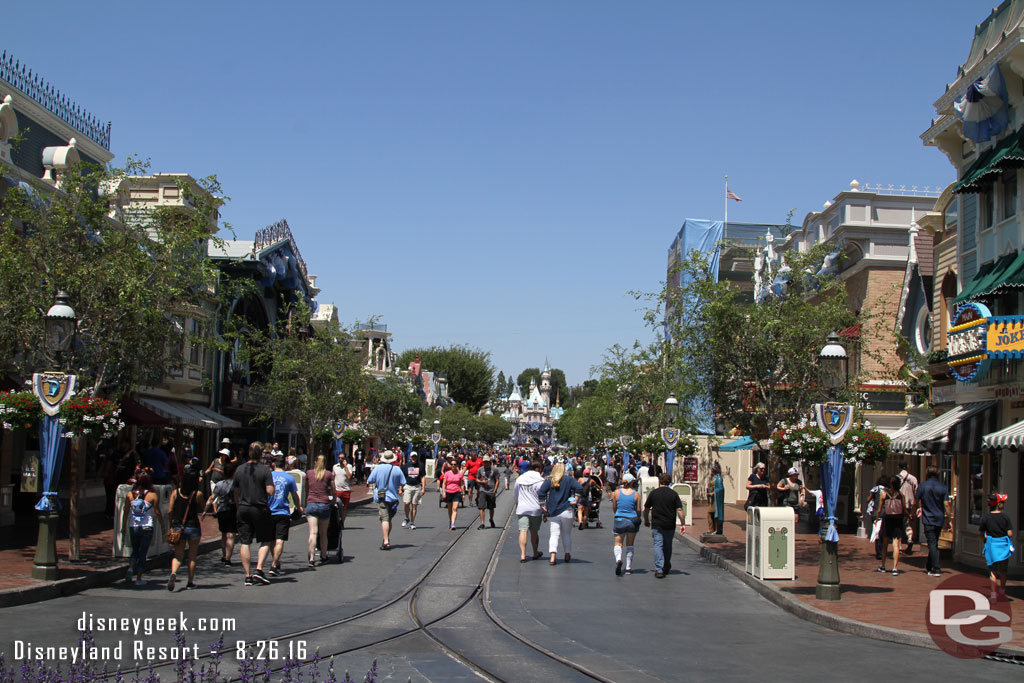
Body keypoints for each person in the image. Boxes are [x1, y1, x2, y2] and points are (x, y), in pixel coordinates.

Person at [234, 442, 275, 586]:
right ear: (261, 454)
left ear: (249, 453)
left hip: (243, 508)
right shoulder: (265, 470)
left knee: (245, 541)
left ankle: (247, 575)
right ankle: (259, 569)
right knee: (266, 539)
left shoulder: (239, 469)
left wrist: (239, 505)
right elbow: (270, 491)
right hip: (259, 507)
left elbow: (235, 491)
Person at [122, 470, 165, 586]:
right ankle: (139, 577)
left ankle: (130, 568)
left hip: (133, 526)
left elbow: (126, 512)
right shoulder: (152, 495)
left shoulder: (130, 495)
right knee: (143, 552)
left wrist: (123, 527)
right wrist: (163, 526)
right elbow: (157, 512)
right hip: (147, 526)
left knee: (135, 550)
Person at [167, 460, 205, 591]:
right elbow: (202, 507)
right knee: (192, 556)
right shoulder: (197, 494)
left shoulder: (175, 493)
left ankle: (173, 572)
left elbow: (170, 511)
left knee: (178, 555)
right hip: (193, 526)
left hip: (178, 526)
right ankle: (190, 581)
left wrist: (171, 524)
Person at [538, 462, 584, 566]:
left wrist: (542, 506)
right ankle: (567, 554)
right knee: (566, 534)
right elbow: (579, 488)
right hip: (567, 510)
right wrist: (576, 500)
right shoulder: (569, 479)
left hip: (553, 511)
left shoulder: (549, 480)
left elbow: (541, 492)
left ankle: (553, 556)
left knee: (554, 534)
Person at [644, 473, 687, 578]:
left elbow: (646, 508)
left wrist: (646, 519)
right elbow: (680, 510)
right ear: (669, 482)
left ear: (659, 481)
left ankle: (659, 569)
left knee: (658, 545)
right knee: (668, 545)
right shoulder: (673, 494)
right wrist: (683, 523)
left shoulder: (654, 493)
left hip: (657, 523)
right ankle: (666, 565)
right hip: (669, 524)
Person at [915, 466, 952, 577]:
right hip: (939, 518)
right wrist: (949, 519)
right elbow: (946, 504)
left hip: (928, 518)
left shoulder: (922, 486)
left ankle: (936, 568)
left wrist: (912, 512)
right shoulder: (943, 487)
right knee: (934, 542)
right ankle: (929, 565)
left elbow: (916, 501)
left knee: (932, 543)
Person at [269, 457, 302, 575]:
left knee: (271, 539)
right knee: (280, 539)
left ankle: (275, 562)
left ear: (274, 464)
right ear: (285, 465)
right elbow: (295, 495)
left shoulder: (268, 476)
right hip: (283, 511)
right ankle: (274, 564)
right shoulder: (289, 478)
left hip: (269, 511)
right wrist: (298, 507)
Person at [367, 450, 406, 549]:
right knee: (388, 519)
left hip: (382, 497)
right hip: (393, 497)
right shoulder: (397, 469)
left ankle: (385, 541)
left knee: (385, 519)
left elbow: (370, 480)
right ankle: (387, 537)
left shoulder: (377, 468)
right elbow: (403, 482)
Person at [980, 493, 1015, 601]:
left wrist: (984, 540)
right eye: (1002, 502)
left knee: (992, 571)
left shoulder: (986, 518)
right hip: (1003, 546)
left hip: (991, 546)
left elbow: (982, 532)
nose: (1003, 504)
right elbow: (1010, 533)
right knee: (1003, 570)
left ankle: (993, 594)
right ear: (999, 504)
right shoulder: (1005, 517)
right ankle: (1002, 589)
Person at [203, 461, 237, 566]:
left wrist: (205, 510)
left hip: (221, 510)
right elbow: (237, 499)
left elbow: (211, 498)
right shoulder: (236, 485)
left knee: (223, 534)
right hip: (232, 510)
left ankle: (224, 555)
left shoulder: (219, 484)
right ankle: (228, 558)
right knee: (231, 534)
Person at [514, 458, 545, 561]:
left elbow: (516, 494)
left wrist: (518, 503)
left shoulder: (520, 479)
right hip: (536, 509)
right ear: (538, 469)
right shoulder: (541, 480)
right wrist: (546, 511)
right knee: (534, 532)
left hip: (522, 508)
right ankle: (535, 553)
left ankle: (523, 554)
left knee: (523, 530)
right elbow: (544, 496)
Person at [305, 454, 334, 566]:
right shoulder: (328, 474)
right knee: (323, 533)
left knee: (313, 532)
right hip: (324, 504)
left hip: (311, 503)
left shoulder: (309, 473)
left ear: (315, 462)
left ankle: (311, 557)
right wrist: (334, 500)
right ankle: (323, 555)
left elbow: (307, 487)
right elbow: (333, 489)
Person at [610, 472, 640, 576]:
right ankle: (628, 567)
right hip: (632, 520)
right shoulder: (636, 494)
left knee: (618, 543)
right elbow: (639, 509)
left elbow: (614, 507)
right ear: (632, 482)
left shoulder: (616, 493)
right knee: (630, 544)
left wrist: (618, 514)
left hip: (619, 519)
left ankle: (618, 559)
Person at [877, 476, 907, 576]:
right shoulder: (901, 495)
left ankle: (883, 565)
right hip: (898, 520)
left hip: (887, 519)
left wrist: (877, 519)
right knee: (896, 544)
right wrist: (908, 516)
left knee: (885, 544)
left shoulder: (884, 494)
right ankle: (895, 567)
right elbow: (904, 508)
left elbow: (880, 509)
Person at [864, 475, 888, 561]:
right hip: (885, 513)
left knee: (876, 532)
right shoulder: (887, 490)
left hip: (875, 513)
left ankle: (879, 552)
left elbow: (868, 499)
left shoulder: (875, 489)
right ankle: (883, 550)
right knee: (883, 533)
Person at [438, 457, 466, 530]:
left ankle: (453, 524)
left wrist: (463, 494)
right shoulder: (447, 473)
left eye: (455, 464)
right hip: (449, 492)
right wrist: (443, 492)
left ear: (457, 465)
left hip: (457, 492)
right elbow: (444, 484)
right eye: (452, 464)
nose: (453, 465)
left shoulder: (460, 474)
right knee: (450, 509)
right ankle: (451, 521)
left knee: (455, 508)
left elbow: (462, 484)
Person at [897, 461, 919, 554]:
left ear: (898, 467)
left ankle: (899, 544)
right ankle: (909, 538)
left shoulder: (896, 478)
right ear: (907, 467)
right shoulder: (913, 478)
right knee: (907, 523)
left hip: (898, 504)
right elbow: (916, 492)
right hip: (909, 504)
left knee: (898, 524)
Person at [474, 455, 500, 529]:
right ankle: (482, 523)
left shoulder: (494, 469)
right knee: (481, 507)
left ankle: (491, 519)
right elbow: (477, 479)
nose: (486, 463)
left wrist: (495, 489)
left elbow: (497, 480)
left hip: (491, 490)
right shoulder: (480, 469)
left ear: (490, 461)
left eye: (487, 462)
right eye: (484, 462)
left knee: (491, 507)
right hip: (483, 490)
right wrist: (481, 482)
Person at [401, 452, 426, 530]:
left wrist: (423, 488)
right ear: (410, 457)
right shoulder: (406, 466)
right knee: (407, 503)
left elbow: (423, 477)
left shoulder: (421, 465)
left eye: (415, 457)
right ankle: (406, 517)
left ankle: (412, 522)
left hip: (417, 486)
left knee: (414, 505)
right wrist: (400, 488)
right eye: (412, 457)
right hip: (408, 486)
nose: (414, 458)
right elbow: (402, 478)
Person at [332, 455, 354, 528]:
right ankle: (336, 522)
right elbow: (332, 477)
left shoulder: (349, 466)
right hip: (337, 490)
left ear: (345, 459)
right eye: (339, 458)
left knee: (344, 508)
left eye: (342, 458)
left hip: (346, 490)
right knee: (336, 507)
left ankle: (342, 522)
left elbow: (349, 476)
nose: (340, 459)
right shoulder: (335, 466)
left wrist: (345, 466)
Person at [711, 461, 725, 535]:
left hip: (718, 499)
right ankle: (715, 529)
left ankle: (718, 530)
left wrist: (714, 492)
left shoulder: (718, 478)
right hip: (715, 499)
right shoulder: (716, 477)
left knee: (718, 512)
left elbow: (720, 489)